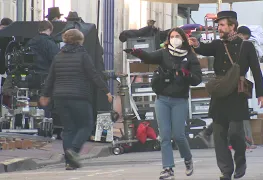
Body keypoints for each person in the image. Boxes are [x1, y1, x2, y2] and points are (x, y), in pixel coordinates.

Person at [189, 11, 263, 180]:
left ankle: (240, 162)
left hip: (237, 94)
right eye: (219, 25)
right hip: (220, 94)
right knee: (219, 135)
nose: (219, 28)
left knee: (236, 133)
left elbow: (256, 70)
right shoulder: (218, 44)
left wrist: (261, 94)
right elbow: (205, 49)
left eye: (222, 25)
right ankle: (226, 170)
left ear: (232, 26)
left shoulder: (246, 46)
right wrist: (196, 44)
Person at [124, 27, 202, 180]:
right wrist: (137, 52)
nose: (174, 39)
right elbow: (149, 57)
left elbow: (197, 79)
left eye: (177, 36)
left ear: (183, 39)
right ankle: (168, 168)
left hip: (180, 100)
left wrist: (186, 74)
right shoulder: (164, 53)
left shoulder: (190, 56)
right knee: (165, 136)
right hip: (162, 99)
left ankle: (188, 159)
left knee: (179, 135)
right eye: (171, 36)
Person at [39, 29, 112, 170]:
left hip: (60, 97)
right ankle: (74, 150)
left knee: (68, 129)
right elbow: (94, 75)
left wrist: (45, 95)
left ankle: (69, 162)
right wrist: (106, 91)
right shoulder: (83, 55)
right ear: (80, 40)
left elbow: (50, 78)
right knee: (86, 125)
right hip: (79, 97)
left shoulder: (58, 56)